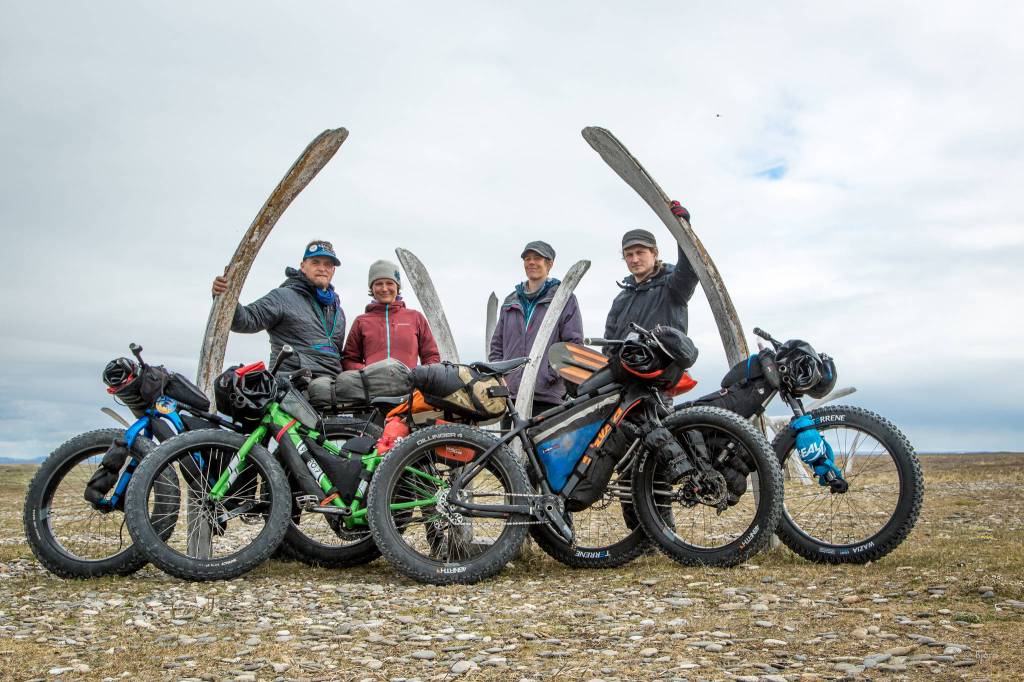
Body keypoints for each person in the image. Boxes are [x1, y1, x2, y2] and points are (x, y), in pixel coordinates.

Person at [211, 239, 345, 376]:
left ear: (333, 271)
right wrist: (227, 295)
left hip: (334, 385)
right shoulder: (283, 297)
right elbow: (245, 321)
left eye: (328, 265)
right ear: (303, 266)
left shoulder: (338, 312)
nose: (322, 268)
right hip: (294, 384)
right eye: (315, 262)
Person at [489, 240, 584, 414]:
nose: (531, 262)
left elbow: (573, 345)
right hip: (511, 395)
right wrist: (500, 375)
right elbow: (496, 345)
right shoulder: (510, 301)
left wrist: (551, 374)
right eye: (527, 258)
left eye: (537, 258)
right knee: (509, 442)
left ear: (550, 264)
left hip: (547, 396)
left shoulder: (563, 299)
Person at [604, 201, 699, 341]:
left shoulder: (672, 286)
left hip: (664, 361)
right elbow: (608, 341)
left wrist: (684, 232)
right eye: (629, 255)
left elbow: (690, 269)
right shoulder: (621, 298)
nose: (634, 259)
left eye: (640, 252)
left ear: (654, 253)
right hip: (624, 362)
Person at [342, 259, 441, 370]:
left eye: (390, 283)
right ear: (372, 288)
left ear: (397, 286)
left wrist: (420, 378)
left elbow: (432, 356)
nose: (384, 289)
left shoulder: (416, 317)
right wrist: (367, 371)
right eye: (378, 284)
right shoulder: (361, 321)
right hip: (372, 386)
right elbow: (349, 360)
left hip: (410, 386)